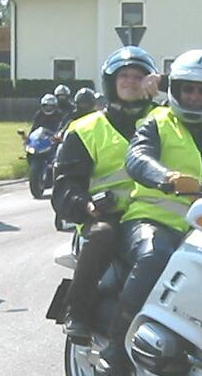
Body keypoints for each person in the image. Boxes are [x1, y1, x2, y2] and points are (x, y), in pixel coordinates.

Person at [100, 49, 202, 376]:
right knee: (155, 256)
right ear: (175, 90)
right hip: (153, 220)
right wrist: (168, 177)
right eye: (187, 89)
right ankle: (117, 348)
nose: (195, 97)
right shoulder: (157, 122)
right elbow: (137, 157)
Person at [51, 47, 159, 341]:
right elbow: (65, 185)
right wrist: (86, 206)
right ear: (111, 81)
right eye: (124, 76)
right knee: (102, 234)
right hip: (108, 214)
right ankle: (77, 310)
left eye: (138, 76)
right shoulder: (85, 129)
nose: (131, 82)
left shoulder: (166, 121)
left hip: (158, 212)